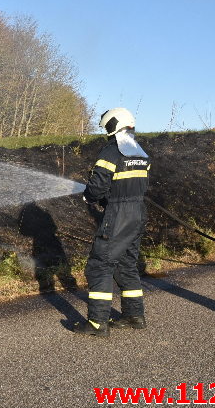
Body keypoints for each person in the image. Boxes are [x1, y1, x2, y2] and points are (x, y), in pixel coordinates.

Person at [74, 108, 150, 337]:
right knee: (127, 264)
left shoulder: (111, 151)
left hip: (118, 215)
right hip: (138, 212)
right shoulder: (141, 153)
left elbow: (97, 185)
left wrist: (90, 196)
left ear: (112, 126)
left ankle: (97, 323)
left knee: (100, 265)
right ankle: (134, 316)